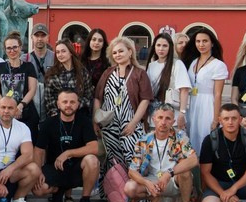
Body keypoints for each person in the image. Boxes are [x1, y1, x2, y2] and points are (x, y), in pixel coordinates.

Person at [124, 102, 198, 202]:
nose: (163, 122)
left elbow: (194, 159)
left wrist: (169, 173)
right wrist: (146, 183)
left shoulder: (180, 137)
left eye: (168, 118)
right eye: (160, 117)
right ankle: (157, 200)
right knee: (129, 188)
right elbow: (132, 171)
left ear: (173, 121)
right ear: (153, 120)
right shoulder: (144, 140)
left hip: (173, 179)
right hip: (153, 180)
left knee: (185, 172)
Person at [32, 88, 99, 202]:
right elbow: (38, 150)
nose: (68, 105)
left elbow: (94, 148)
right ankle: (58, 190)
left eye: (72, 102)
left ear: (78, 104)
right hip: (55, 167)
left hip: (77, 168)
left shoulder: (84, 121)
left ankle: (85, 200)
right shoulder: (48, 123)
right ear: (58, 104)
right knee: (38, 190)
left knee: (92, 160)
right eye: (65, 102)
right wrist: (38, 171)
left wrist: (68, 153)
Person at [94, 36, 153, 177]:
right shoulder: (108, 73)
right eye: (114, 52)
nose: (117, 55)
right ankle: (114, 190)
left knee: (134, 160)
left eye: (121, 51)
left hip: (131, 125)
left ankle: (135, 189)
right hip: (109, 126)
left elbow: (145, 100)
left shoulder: (139, 73)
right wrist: (95, 121)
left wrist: (133, 123)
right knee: (113, 162)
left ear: (130, 52)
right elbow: (97, 98)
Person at [185, 28, 228, 153]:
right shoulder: (193, 62)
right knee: (190, 139)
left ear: (212, 43)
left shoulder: (218, 65)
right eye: (198, 41)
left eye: (205, 41)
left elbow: (218, 94)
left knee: (205, 139)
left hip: (208, 105)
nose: (201, 44)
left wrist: (216, 119)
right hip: (192, 104)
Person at [0, 32, 40, 131]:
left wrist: (20, 107)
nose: (12, 51)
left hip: (25, 112)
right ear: (5, 50)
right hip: (4, 112)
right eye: (9, 48)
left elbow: (32, 90)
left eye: (15, 47)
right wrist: (5, 106)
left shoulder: (29, 66)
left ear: (20, 47)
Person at [146, 31, 191, 131]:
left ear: (170, 48)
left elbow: (184, 89)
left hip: (173, 115)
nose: (161, 49)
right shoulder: (151, 66)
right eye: (158, 45)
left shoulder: (177, 64)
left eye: (165, 46)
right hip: (155, 115)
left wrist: (182, 113)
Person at [42, 40, 92, 119]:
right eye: (58, 52)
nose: (60, 55)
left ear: (71, 52)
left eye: (63, 51)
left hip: (80, 115)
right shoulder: (51, 74)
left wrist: (74, 106)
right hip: (58, 116)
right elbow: (49, 99)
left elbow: (88, 95)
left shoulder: (82, 72)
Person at [80, 28, 110, 93]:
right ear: (89, 41)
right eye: (94, 39)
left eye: (100, 40)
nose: (96, 43)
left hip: (101, 96)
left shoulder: (108, 62)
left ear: (103, 43)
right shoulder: (81, 60)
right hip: (82, 96)